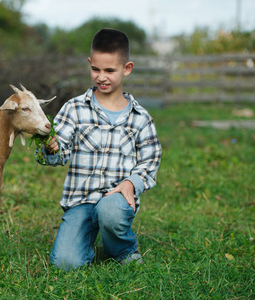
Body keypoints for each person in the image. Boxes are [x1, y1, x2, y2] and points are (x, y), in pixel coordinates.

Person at [38, 28, 162, 270]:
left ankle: (121, 248)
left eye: (109, 71)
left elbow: (151, 160)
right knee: (65, 263)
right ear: (89, 63)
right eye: (96, 69)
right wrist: (52, 149)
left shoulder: (140, 117)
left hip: (115, 200)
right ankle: (84, 237)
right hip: (81, 200)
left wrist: (131, 183)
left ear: (127, 68)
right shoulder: (74, 108)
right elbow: (59, 152)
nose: (101, 77)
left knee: (110, 212)